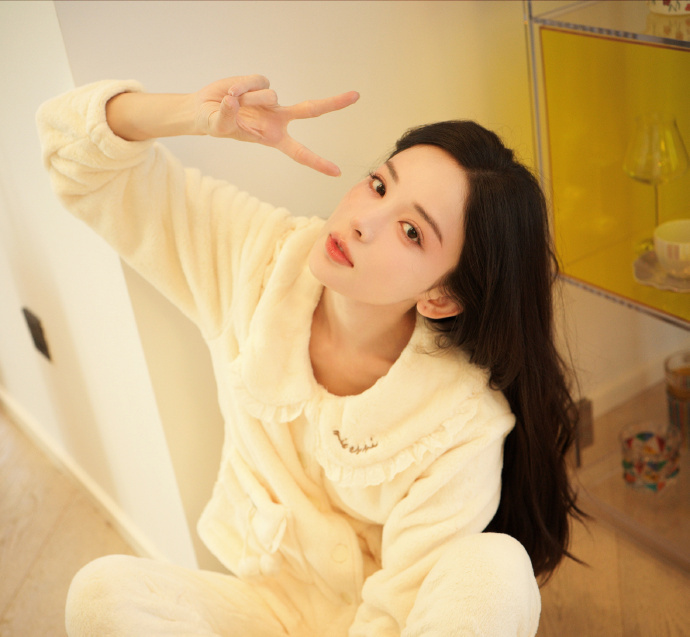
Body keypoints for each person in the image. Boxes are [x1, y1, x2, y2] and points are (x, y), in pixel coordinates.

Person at [36, 74, 582, 636]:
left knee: (497, 568)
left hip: (390, 625)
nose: (363, 222)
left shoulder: (461, 422)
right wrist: (190, 114)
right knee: (101, 593)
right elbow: (72, 153)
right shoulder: (260, 262)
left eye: (411, 231)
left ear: (440, 296)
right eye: (378, 186)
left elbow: (399, 610)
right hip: (262, 611)